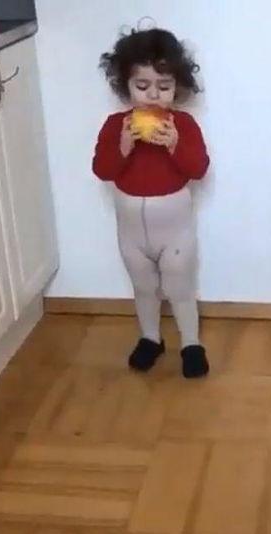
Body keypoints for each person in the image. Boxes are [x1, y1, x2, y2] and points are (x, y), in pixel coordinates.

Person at [92, 27, 210, 378]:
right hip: (131, 232)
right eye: (142, 86)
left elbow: (199, 169)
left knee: (179, 287)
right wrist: (123, 147)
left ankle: (191, 343)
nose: (153, 96)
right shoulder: (116, 126)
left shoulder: (183, 125)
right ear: (125, 86)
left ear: (178, 87)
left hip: (174, 230)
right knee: (143, 287)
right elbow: (102, 170)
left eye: (164, 86)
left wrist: (175, 144)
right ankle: (150, 338)